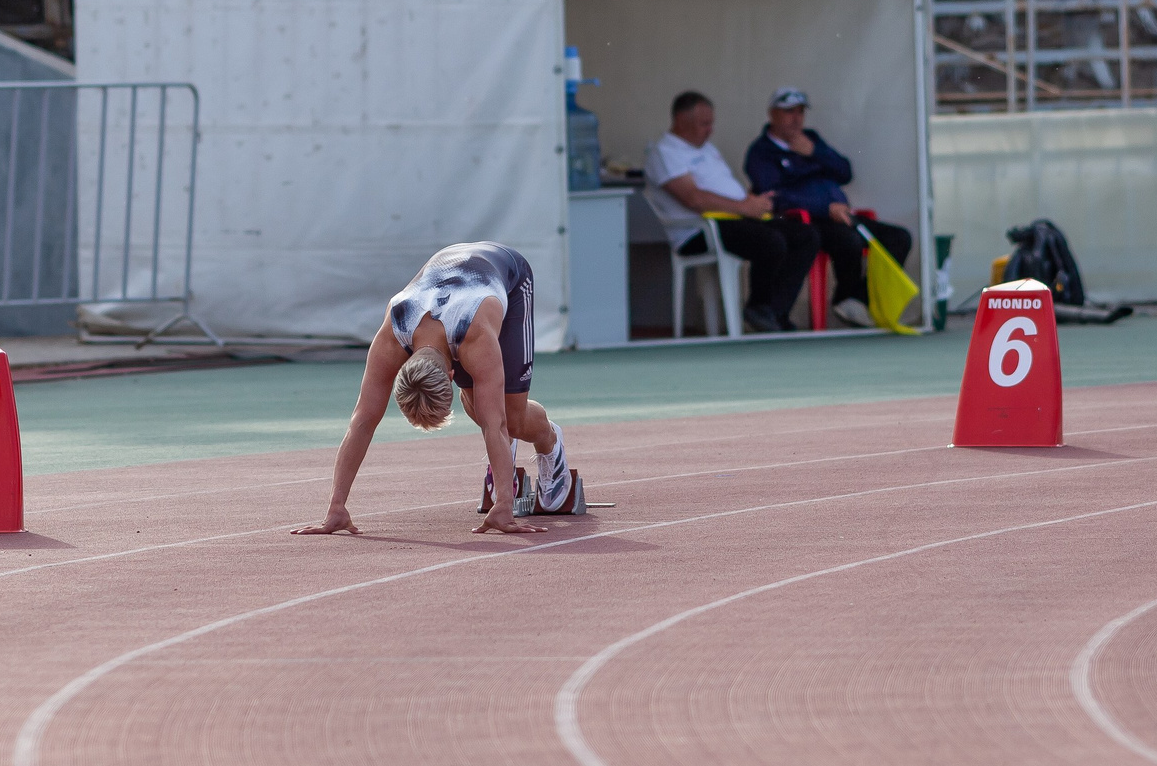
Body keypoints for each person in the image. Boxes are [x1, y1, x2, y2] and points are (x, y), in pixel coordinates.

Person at [291, 241, 579, 538]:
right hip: (454, 280)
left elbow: (497, 425)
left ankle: (550, 443)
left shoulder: (476, 335)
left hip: (507, 275)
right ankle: (504, 462)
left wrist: (504, 504)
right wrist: (336, 506)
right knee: (482, 407)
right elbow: (361, 422)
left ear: (452, 375)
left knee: (509, 418)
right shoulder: (393, 333)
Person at [646, 90, 817, 334]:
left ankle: (774, 313)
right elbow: (693, 198)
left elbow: (724, 188)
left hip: (737, 217)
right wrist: (745, 207)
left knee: (805, 235)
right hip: (699, 230)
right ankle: (759, 306)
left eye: (711, 123)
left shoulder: (706, 148)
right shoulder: (665, 152)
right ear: (682, 121)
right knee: (771, 240)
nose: (710, 130)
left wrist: (753, 202)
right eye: (704, 124)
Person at [742, 89, 914, 329]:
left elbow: (845, 172)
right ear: (772, 114)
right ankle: (845, 298)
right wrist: (825, 207)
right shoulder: (761, 152)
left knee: (899, 238)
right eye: (789, 112)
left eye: (800, 112)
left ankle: (858, 300)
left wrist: (815, 152)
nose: (796, 118)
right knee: (849, 240)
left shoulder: (811, 139)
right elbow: (774, 197)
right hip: (806, 220)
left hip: (841, 214)